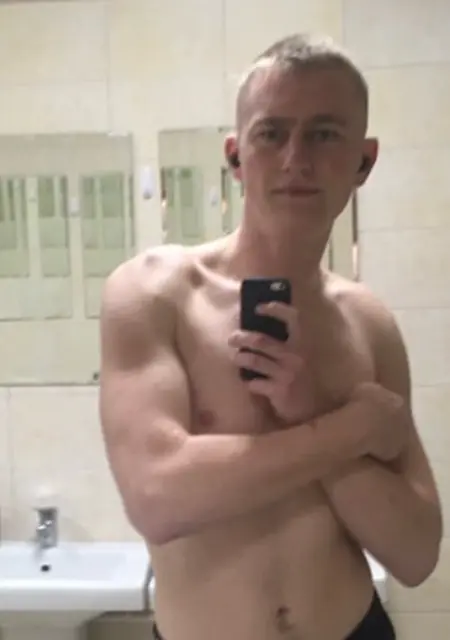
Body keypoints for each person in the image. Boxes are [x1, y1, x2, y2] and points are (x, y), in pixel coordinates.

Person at [99, 33, 442, 640]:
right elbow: (158, 497)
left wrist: (309, 410)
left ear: (364, 161)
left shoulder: (369, 323)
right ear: (235, 157)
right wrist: (348, 429)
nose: (295, 159)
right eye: (271, 133)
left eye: (324, 134)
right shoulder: (155, 293)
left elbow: (416, 555)